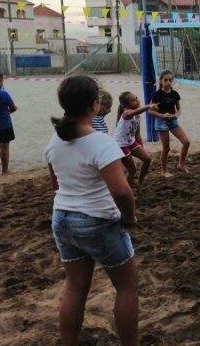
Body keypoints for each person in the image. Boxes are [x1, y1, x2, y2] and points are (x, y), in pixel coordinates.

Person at [45, 75, 138, 346]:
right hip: (97, 221)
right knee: (127, 287)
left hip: (62, 219)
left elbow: (55, 185)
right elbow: (122, 192)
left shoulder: (54, 141)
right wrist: (130, 218)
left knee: (74, 288)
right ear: (94, 105)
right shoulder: (101, 143)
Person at [148, 70, 191, 177]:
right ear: (161, 81)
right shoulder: (157, 94)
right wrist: (163, 115)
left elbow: (179, 109)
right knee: (166, 148)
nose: (168, 82)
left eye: (170, 80)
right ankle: (164, 170)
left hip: (173, 121)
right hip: (161, 122)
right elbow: (150, 111)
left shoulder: (175, 94)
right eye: (165, 80)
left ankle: (181, 165)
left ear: (173, 81)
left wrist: (176, 115)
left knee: (186, 142)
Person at [114, 92, 157, 187]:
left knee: (147, 159)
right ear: (126, 105)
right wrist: (149, 106)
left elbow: (137, 134)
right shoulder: (127, 113)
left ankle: (139, 182)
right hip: (121, 145)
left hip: (131, 141)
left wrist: (141, 147)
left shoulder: (137, 115)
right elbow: (135, 112)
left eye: (137, 98)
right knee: (132, 170)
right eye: (134, 100)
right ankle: (127, 190)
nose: (137, 101)